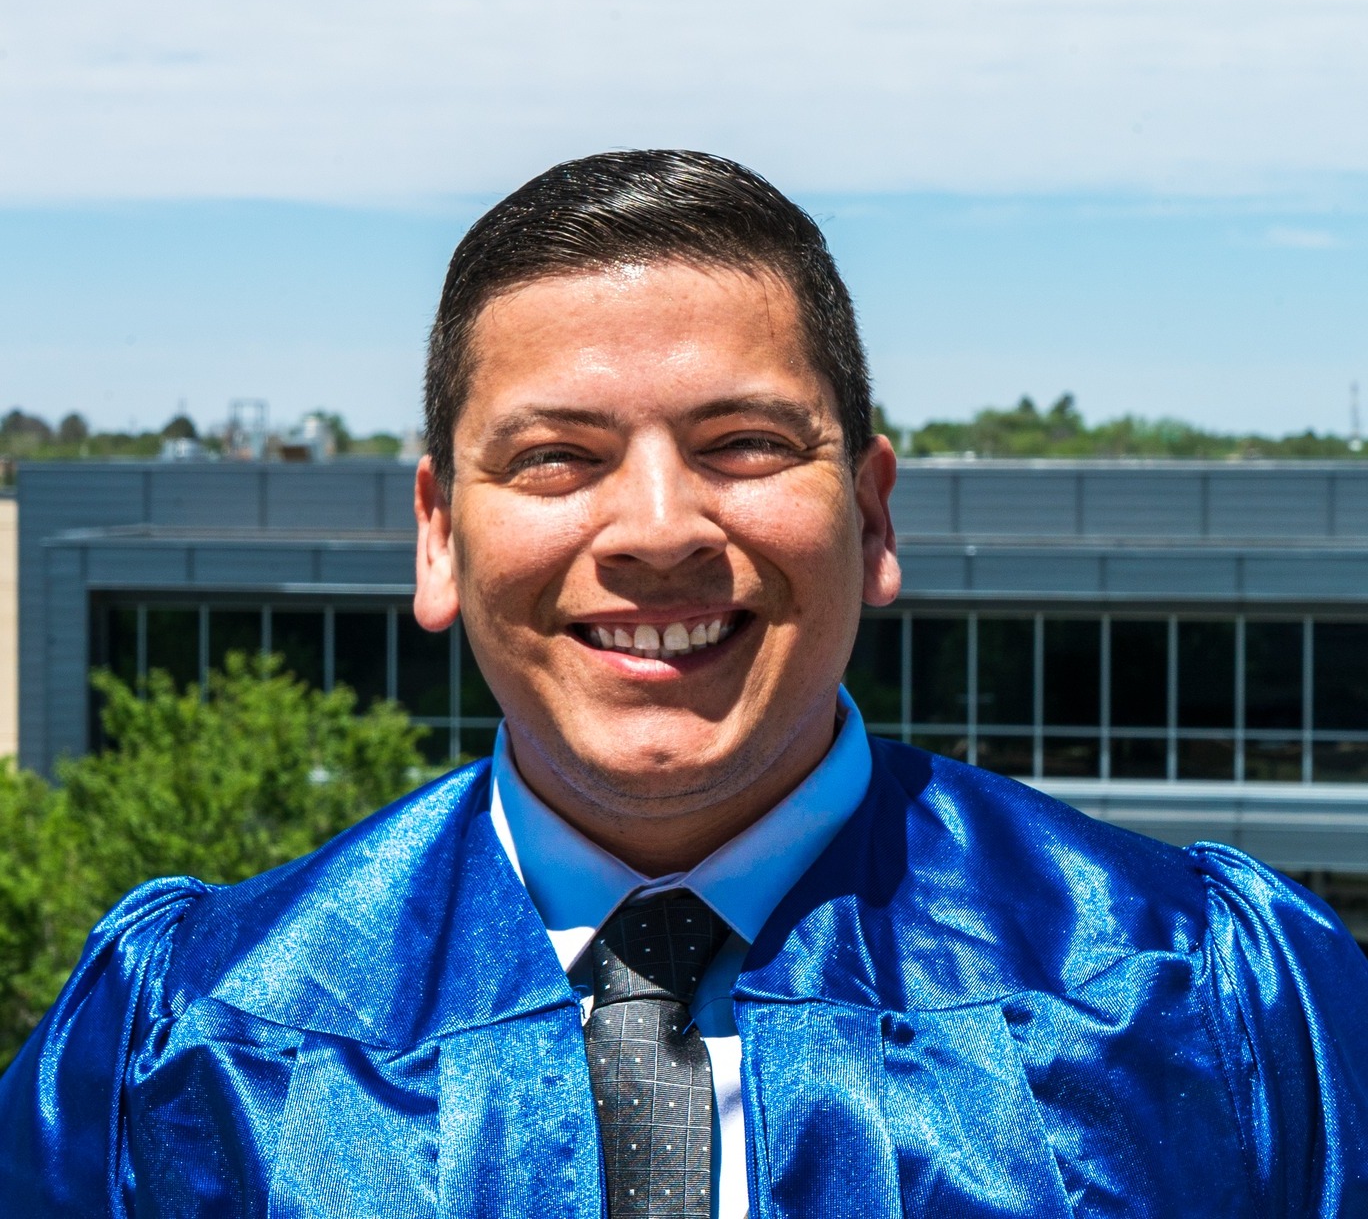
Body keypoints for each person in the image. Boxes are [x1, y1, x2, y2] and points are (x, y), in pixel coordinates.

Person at [2, 150, 1367, 1218]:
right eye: (555, 456)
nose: (657, 528)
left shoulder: (1203, 1003)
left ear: (875, 518)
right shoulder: (191, 1044)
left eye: (745, 443)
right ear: (436, 534)